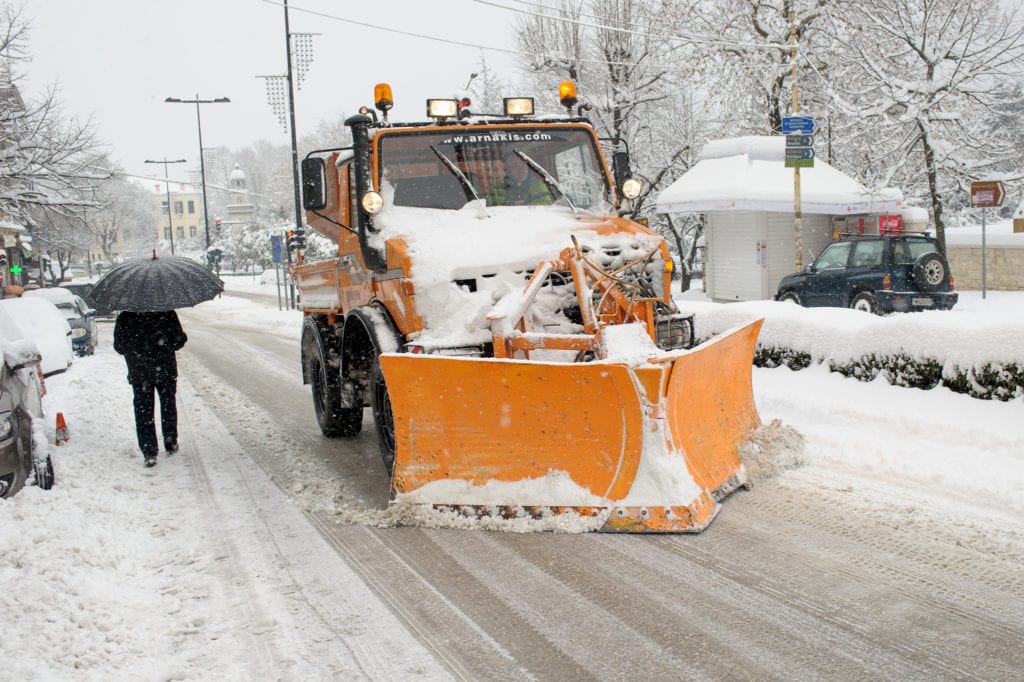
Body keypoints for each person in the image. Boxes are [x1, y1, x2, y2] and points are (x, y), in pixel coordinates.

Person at [113, 310, 187, 468]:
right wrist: (171, 340)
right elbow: (178, 341)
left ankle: (149, 451)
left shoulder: (126, 317)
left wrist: (136, 349)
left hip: (140, 373)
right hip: (165, 370)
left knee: (143, 411)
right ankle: (170, 441)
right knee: (168, 406)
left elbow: (119, 346)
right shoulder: (166, 313)